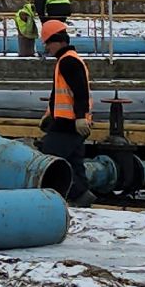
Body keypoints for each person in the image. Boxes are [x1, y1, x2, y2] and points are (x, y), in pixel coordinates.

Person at [37, 20, 96, 205]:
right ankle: (82, 198)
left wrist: (80, 117)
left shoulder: (68, 61)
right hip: (68, 122)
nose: (47, 48)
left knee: (50, 161)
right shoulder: (66, 60)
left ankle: (73, 197)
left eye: (48, 43)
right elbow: (59, 95)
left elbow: (80, 92)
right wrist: (48, 115)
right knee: (74, 163)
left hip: (68, 123)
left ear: (60, 41)